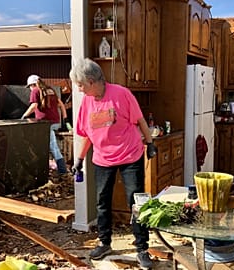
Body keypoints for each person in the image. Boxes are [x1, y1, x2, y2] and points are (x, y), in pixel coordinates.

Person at [69, 58, 157, 269]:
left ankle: (142, 248)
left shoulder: (122, 94)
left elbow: (140, 121)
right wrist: (79, 159)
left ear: (91, 81)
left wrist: (150, 143)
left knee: (136, 202)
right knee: (102, 201)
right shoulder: (87, 103)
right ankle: (104, 242)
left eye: (80, 85)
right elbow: (87, 135)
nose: (79, 90)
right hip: (102, 159)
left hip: (130, 156)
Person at [21, 74, 68, 175]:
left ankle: (62, 170)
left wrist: (24, 116)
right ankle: (49, 166)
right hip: (56, 122)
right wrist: (65, 119)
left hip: (44, 124)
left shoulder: (35, 91)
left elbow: (34, 106)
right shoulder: (50, 90)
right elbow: (61, 105)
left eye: (29, 86)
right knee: (45, 145)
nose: (29, 89)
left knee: (53, 147)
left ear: (32, 85)